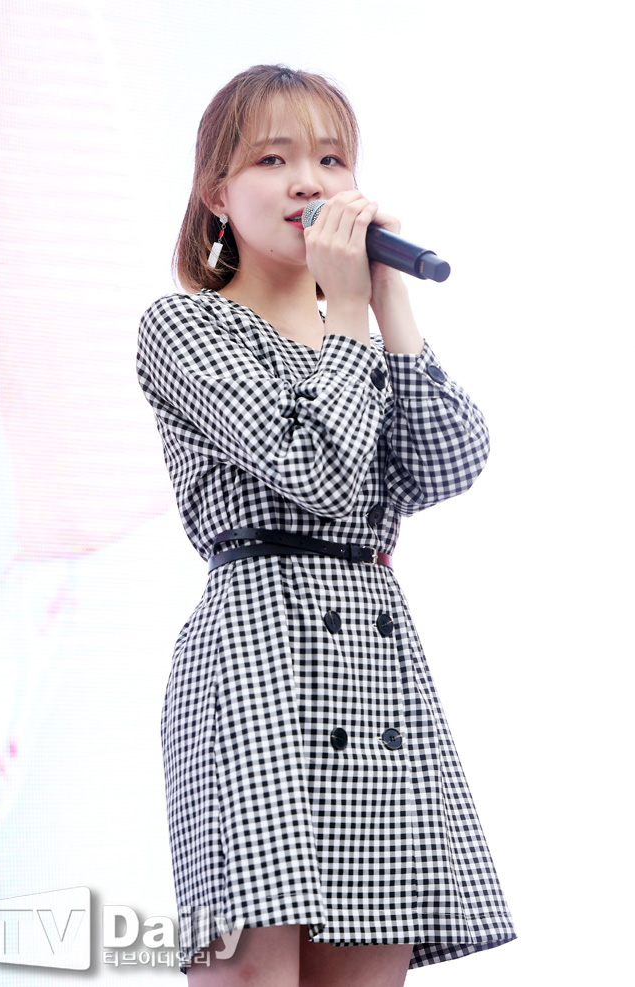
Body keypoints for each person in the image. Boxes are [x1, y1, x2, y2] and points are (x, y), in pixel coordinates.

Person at [136, 64, 517, 987]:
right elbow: (320, 471)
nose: (309, 181)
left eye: (332, 159)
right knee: (251, 970)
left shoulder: (361, 335)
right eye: (274, 159)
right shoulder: (187, 328)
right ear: (216, 195)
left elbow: (449, 462)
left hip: (375, 674)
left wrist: (386, 300)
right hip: (255, 658)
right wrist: (345, 312)